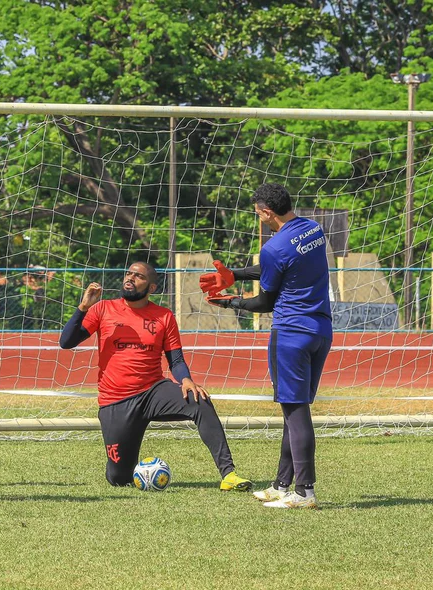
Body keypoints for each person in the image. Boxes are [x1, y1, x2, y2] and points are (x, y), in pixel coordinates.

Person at [59, 262, 252, 492]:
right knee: (119, 478)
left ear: (151, 288)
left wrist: (187, 380)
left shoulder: (164, 316)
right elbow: (66, 342)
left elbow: (176, 360)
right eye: (128, 273)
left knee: (199, 400)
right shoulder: (103, 309)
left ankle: (228, 474)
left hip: (154, 391)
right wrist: (82, 307)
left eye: (138, 276)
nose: (130, 278)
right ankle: (122, 466)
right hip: (116, 401)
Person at [202, 182, 332, 509]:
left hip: (290, 333)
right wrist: (235, 274)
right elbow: (279, 265)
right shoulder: (313, 230)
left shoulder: (273, 247)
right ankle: (281, 484)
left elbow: (265, 302)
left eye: (257, 213)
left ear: (266, 212)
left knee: (295, 411)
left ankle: (304, 491)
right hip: (320, 329)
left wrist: (232, 302)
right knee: (295, 408)